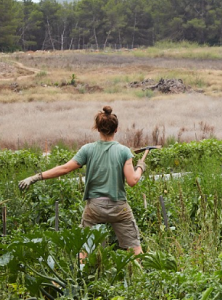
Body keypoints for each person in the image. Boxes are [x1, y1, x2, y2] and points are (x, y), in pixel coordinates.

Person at [18, 106, 147, 255]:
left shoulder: (88, 149)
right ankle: (139, 276)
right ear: (116, 129)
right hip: (119, 207)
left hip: (95, 208)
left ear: (97, 128)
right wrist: (140, 167)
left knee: (86, 248)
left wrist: (35, 177)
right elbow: (133, 181)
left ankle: (82, 276)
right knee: (134, 247)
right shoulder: (124, 151)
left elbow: (65, 168)